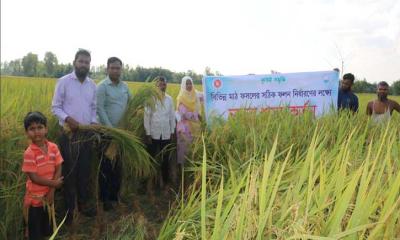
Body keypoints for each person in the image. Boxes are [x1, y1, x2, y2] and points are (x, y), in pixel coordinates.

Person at [51, 49, 97, 224]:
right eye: (81, 61)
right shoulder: (63, 82)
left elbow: (93, 108)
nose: (84, 65)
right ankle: (70, 211)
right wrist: (68, 119)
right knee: (69, 172)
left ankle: (82, 205)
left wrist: (93, 122)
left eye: (87, 62)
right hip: (69, 136)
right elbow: (55, 107)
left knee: (84, 172)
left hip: (86, 135)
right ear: (74, 63)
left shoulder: (92, 85)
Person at [96, 57, 131, 210]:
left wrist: (124, 128)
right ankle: (105, 200)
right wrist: (111, 129)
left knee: (118, 166)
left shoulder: (125, 87)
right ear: (107, 69)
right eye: (113, 68)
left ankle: (114, 196)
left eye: (118, 68)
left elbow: (131, 103)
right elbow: (100, 109)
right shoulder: (102, 87)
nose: (116, 71)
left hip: (122, 134)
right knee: (106, 167)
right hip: (107, 133)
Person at [22, 112, 63, 240]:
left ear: (46, 129)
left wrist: (51, 191)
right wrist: (54, 184)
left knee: (47, 230)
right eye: (32, 129)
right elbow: (34, 178)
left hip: (49, 198)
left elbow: (58, 167)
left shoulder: (53, 147)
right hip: (35, 201)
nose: (36, 132)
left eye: (40, 127)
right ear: (27, 132)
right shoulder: (29, 153)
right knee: (35, 232)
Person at [144, 76, 176, 189]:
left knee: (165, 160)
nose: (162, 86)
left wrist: (172, 131)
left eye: (164, 84)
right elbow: (147, 117)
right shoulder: (150, 99)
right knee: (151, 159)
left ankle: (165, 184)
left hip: (166, 134)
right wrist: (148, 133)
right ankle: (148, 184)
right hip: (153, 134)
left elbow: (172, 117)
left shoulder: (169, 99)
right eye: (160, 84)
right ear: (156, 86)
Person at [176, 76, 202, 164]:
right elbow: (186, 114)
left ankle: (194, 167)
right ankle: (183, 169)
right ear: (183, 85)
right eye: (186, 83)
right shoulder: (181, 97)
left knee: (195, 148)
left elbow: (205, 96)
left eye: (190, 83)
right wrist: (197, 115)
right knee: (185, 149)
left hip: (196, 127)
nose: (189, 85)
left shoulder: (195, 94)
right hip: (185, 128)